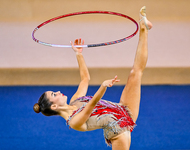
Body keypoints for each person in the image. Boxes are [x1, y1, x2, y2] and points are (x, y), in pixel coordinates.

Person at [33, 6, 152, 150]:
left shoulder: (75, 100)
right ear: (54, 106)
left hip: (123, 108)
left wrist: (78, 54)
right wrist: (103, 87)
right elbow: (91, 106)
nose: (58, 92)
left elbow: (85, 79)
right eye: (54, 94)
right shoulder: (74, 122)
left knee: (135, 73)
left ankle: (143, 28)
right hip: (118, 131)